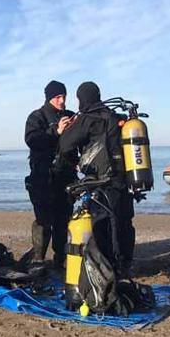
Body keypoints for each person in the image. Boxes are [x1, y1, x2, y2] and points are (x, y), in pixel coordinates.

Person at [56, 81, 136, 281]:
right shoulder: (116, 117)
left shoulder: (87, 118)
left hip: (101, 182)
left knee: (103, 225)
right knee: (123, 222)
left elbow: (65, 144)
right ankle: (124, 265)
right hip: (123, 181)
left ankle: (108, 267)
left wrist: (73, 160)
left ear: (81, 99)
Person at [24, 80, 77, 267]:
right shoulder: (36, 117)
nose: (62, 101)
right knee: (43, 220)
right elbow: (32, 140)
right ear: (49, 98)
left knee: (64, 220)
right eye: (57, 97)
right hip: (43, 178)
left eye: (64, 96)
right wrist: (56, 131)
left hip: (66, 177)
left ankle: (61, 257)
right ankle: (39, 258)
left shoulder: (71, 116)